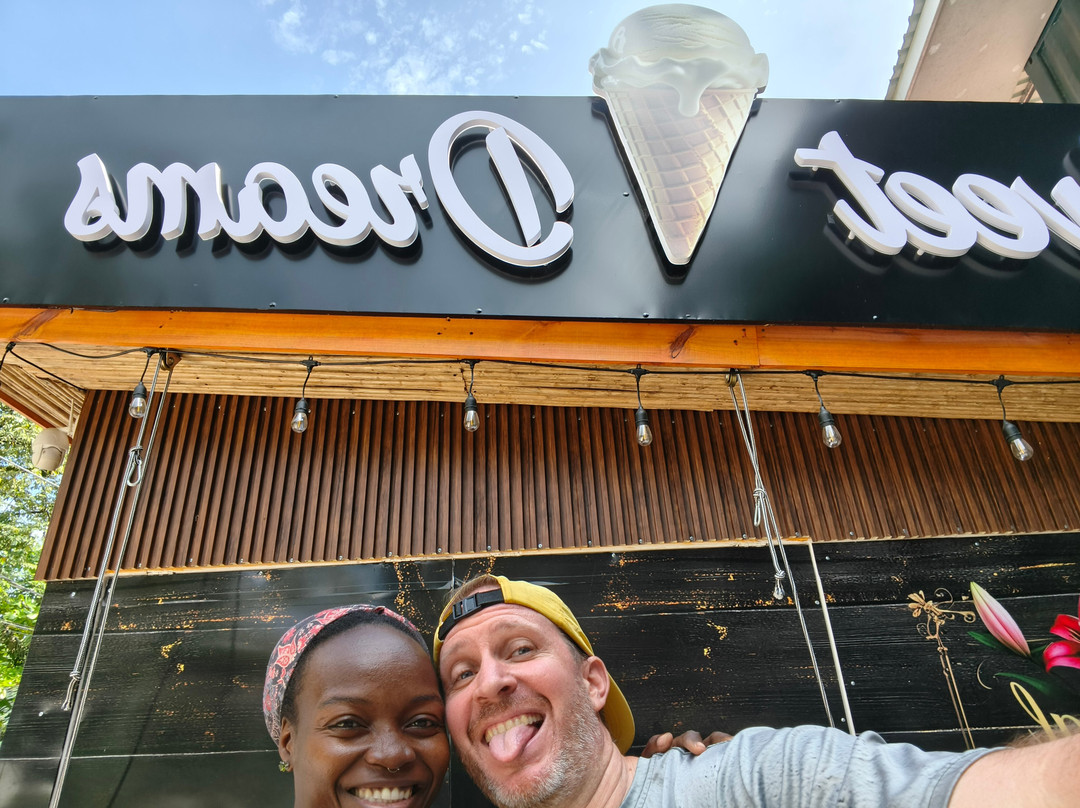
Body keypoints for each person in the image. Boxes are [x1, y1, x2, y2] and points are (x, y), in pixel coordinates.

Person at [432, 574, 1080, 808]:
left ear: (593, 682)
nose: (491, 681)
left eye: (521, 649)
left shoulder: (754, 778)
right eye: (461, 673)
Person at [262, 603, 727, 808]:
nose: (393, 754)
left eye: (421, 722)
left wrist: (674, 782)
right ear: (287, 741)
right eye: (348, 723)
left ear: (593, 683)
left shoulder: (724, 778)